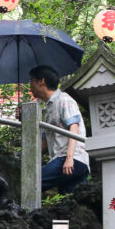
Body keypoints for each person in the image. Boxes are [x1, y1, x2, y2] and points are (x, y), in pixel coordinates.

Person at [28, 65, 90, 194]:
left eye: (32, 81)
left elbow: (74, 127)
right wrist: (24, 121)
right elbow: (43, 145)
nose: (30, 86)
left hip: (71, 159)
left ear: (41, 81)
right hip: (66, 160)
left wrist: (69, 157)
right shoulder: (49, 107)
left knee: (32, 183)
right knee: (70, 201)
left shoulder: (64, 100)